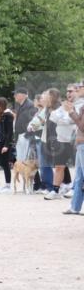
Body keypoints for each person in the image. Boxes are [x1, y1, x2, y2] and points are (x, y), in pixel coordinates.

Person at [64, 83, 84, 215]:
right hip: (80, 143)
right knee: (78, 178)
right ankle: (75, 207)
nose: (76, 90)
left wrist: (71, 112)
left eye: (79, 88)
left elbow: (82, 127)